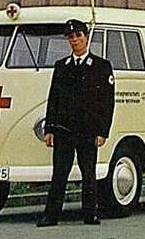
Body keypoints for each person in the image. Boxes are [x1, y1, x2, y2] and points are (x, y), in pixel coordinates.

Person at [37, 19, 115, 227]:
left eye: (78, 36)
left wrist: (102, 131)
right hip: (64, 130)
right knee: (59, 173)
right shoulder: (61, 66)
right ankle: (51, 215)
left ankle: (90, 214)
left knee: (88, 173)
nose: (75, 41)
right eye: (71, 37)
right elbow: (54, 99)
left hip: (88, 131)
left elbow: (107, 102)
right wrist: (50, 129)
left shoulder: (101, 67)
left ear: (86, 38)